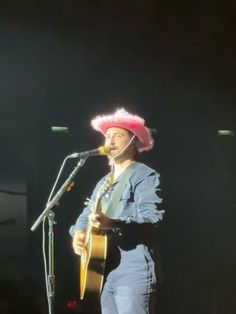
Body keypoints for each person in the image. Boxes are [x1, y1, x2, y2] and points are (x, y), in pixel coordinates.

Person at [70, 108, 165, 314]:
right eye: (107, 136)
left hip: (133, 267)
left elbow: (153, 217)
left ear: (133, 143)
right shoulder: (104, 182)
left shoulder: (144, 175)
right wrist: (77, 233)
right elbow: (86, 214)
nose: (110, 141)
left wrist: (112, 222)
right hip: (106, 268)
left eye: (118, 135)